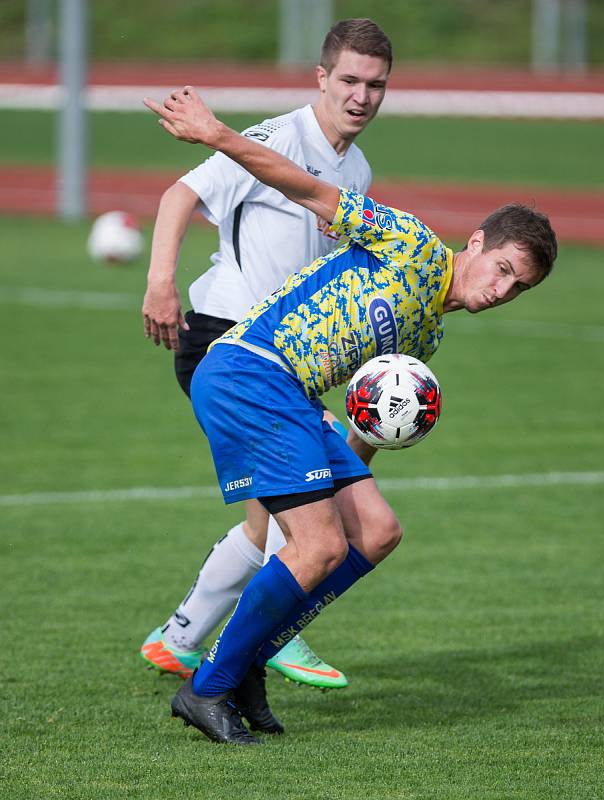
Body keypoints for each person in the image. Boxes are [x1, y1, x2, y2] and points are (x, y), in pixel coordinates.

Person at [143, 84, 557, 746]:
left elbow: (362, 428)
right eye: (502, 269)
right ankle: (210, 686)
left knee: (376, 532)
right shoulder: (413, 244)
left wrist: (346, 475)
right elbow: (309, 190)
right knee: (317, 545)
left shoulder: (424, 343)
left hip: (290, 396)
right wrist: (217, 135)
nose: (500, 291)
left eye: (518, 287)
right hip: (249, 369)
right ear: (475, 243)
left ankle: (242, 662)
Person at [139, 18, 392, 694]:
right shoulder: (278, 138)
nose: (361, 96)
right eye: (349, 80)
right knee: (310, 515)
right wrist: (160, 281)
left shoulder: (356, 168)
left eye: (375, 85)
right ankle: (280, 637)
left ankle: (181, 637)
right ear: (321, 77)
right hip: (224, 341)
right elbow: (180, 193)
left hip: (280, 362)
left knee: (272, 510)